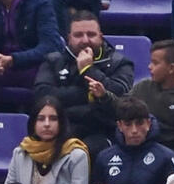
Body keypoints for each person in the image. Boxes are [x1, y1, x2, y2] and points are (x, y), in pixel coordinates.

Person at [33, 9, 134, 156]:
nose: (85, 40)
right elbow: (42, 96)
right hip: (62, 128)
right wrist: (90, 96)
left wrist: (87, 69)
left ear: (101, 36)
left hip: (103, 132)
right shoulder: (53, 61)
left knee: (80, 152)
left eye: (91, 34)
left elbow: (119, 97)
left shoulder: (120, 62)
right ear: (69, 38)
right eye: (78, 35)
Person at [6, 95, 90, 184]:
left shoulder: (76, 155)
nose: (46, 124)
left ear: (61, 122)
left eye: (53, 118)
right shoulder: (21, 153)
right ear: (33, 122)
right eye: (40, 118)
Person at [94, 96, 174, 184]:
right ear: (120, 126)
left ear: (148, 124)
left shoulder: (167, 158)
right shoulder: (104, 158)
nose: (134, 130)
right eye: (128, 124)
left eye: (139, 123)